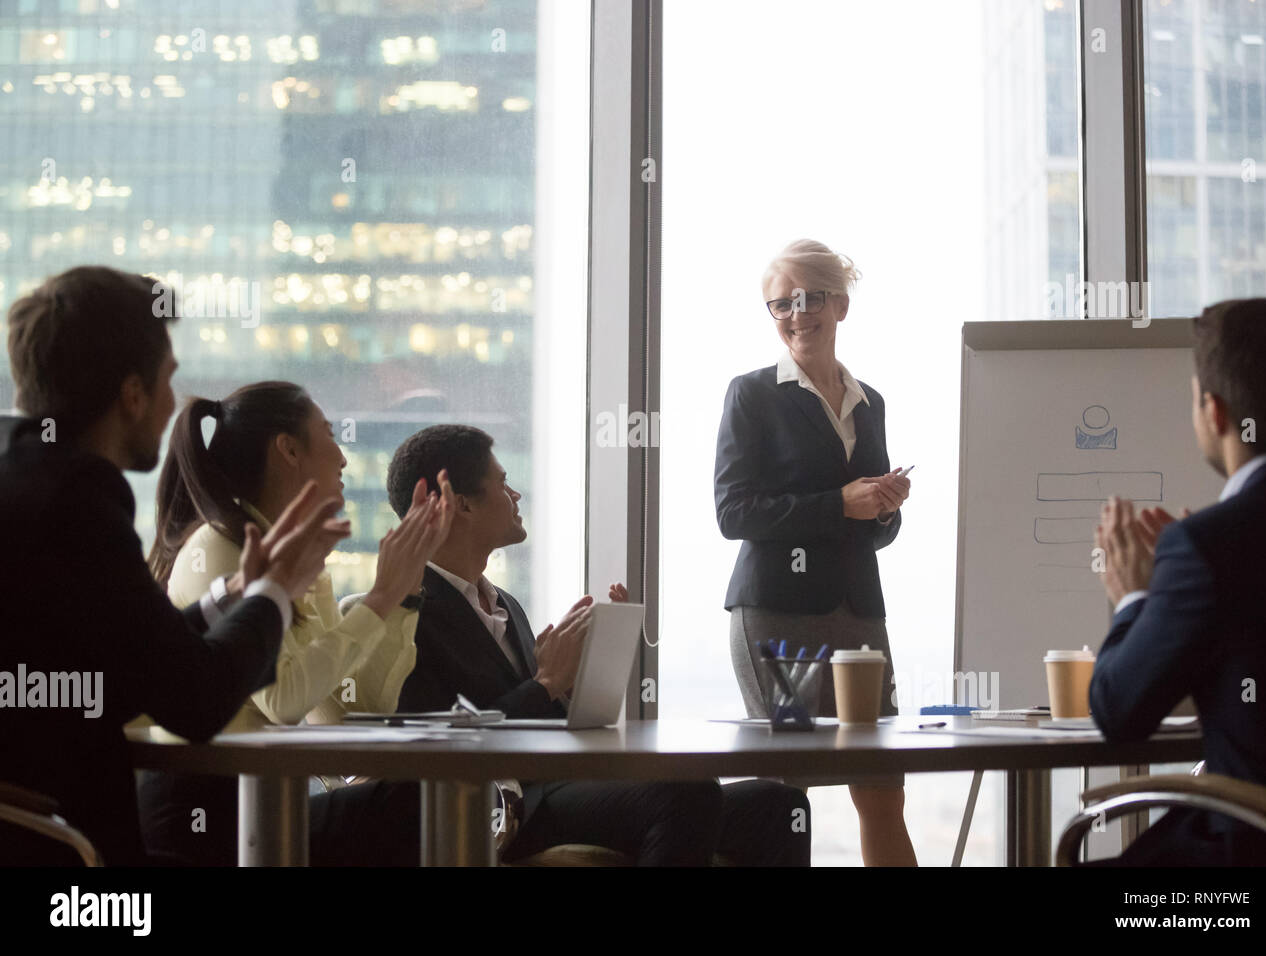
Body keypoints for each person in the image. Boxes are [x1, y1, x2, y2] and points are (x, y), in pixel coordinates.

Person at [0, 266, 347, 865]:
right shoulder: (78, 502)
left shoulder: (26, 482)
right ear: (132, 395)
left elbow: (145, 664)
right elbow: (194, 701)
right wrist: (276, 593)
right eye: (167, 380)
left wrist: (237, 594)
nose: (172, 405)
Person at [389, 424, 812, 866]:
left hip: (555, 787)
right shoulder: (409, 614)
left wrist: (580, 681)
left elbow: (540, 721)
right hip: (501, 807)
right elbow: (445, 748)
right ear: (462, 505)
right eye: (502, 483)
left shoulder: (504, 605)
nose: (516, 496)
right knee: (685, 792)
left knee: (779, 807)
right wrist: (546, 683)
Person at [136, 381, 454, 866]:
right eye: (328, 434)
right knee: (421, 802)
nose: (344, 459)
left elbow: (338, 714)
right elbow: (284, 699)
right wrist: (379, 599)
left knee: (424, 797)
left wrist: (402, 595)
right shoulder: (220, 546)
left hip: (262, 804)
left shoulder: (296, 560)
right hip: (207, 814)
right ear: (288, 449)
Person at [715, 239, 916, 866]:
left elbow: (871, 531)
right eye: (780, 304)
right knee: (788, 788)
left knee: (881, 784)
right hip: (778, 613)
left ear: (840, 304)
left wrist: (884, 509)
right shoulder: (752, 394)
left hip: (860, 613)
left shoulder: (870, 401)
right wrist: (841, 503)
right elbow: (733, 512)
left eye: (809, 299)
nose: (796, 315)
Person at [1090, 297, 1266, 867]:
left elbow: (1119, 712)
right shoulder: (1208, 551)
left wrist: (1135, 596)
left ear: (1215, 412)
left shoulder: (1209, 548)